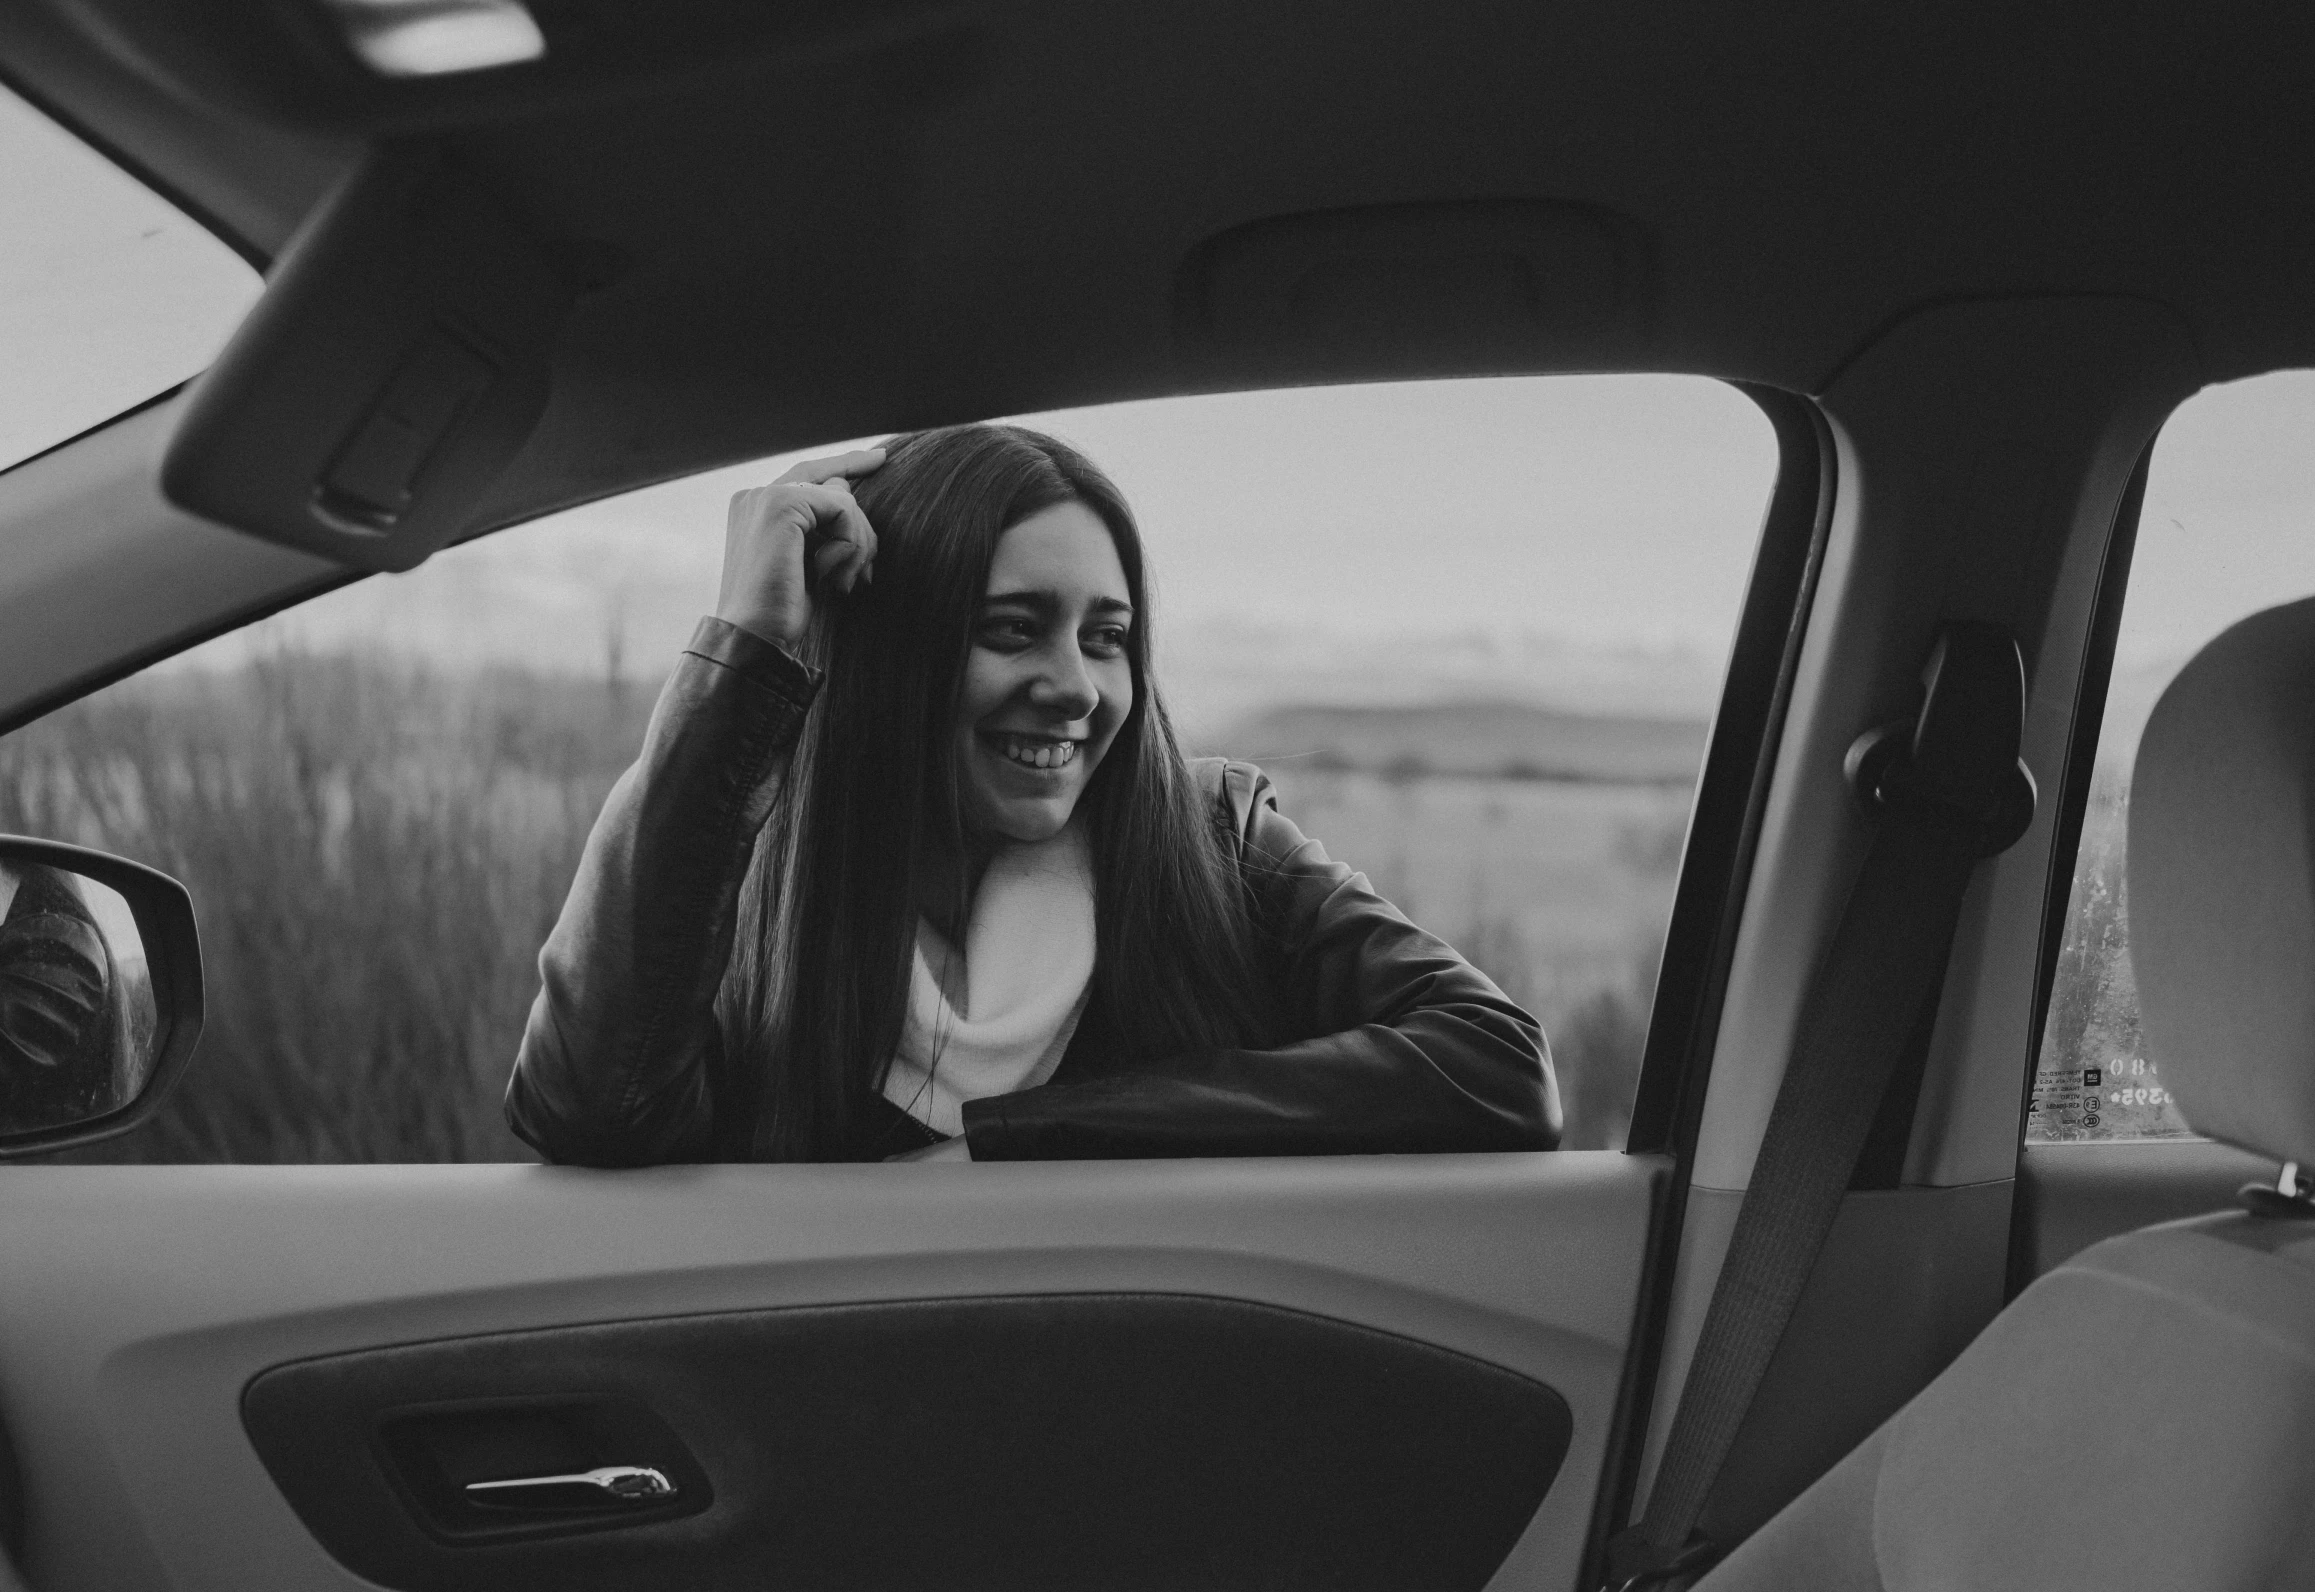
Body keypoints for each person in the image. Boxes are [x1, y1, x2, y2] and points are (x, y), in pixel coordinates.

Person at [506, 425, 1559, 1164]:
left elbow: (1497, 1065)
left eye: (1107, 638)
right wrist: (749, 647)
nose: (1073, 687)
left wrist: (1024, 1140)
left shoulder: (1218, 850)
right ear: (892, 654)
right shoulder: (752, 903)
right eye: (1010, 628)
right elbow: (591, 1110)